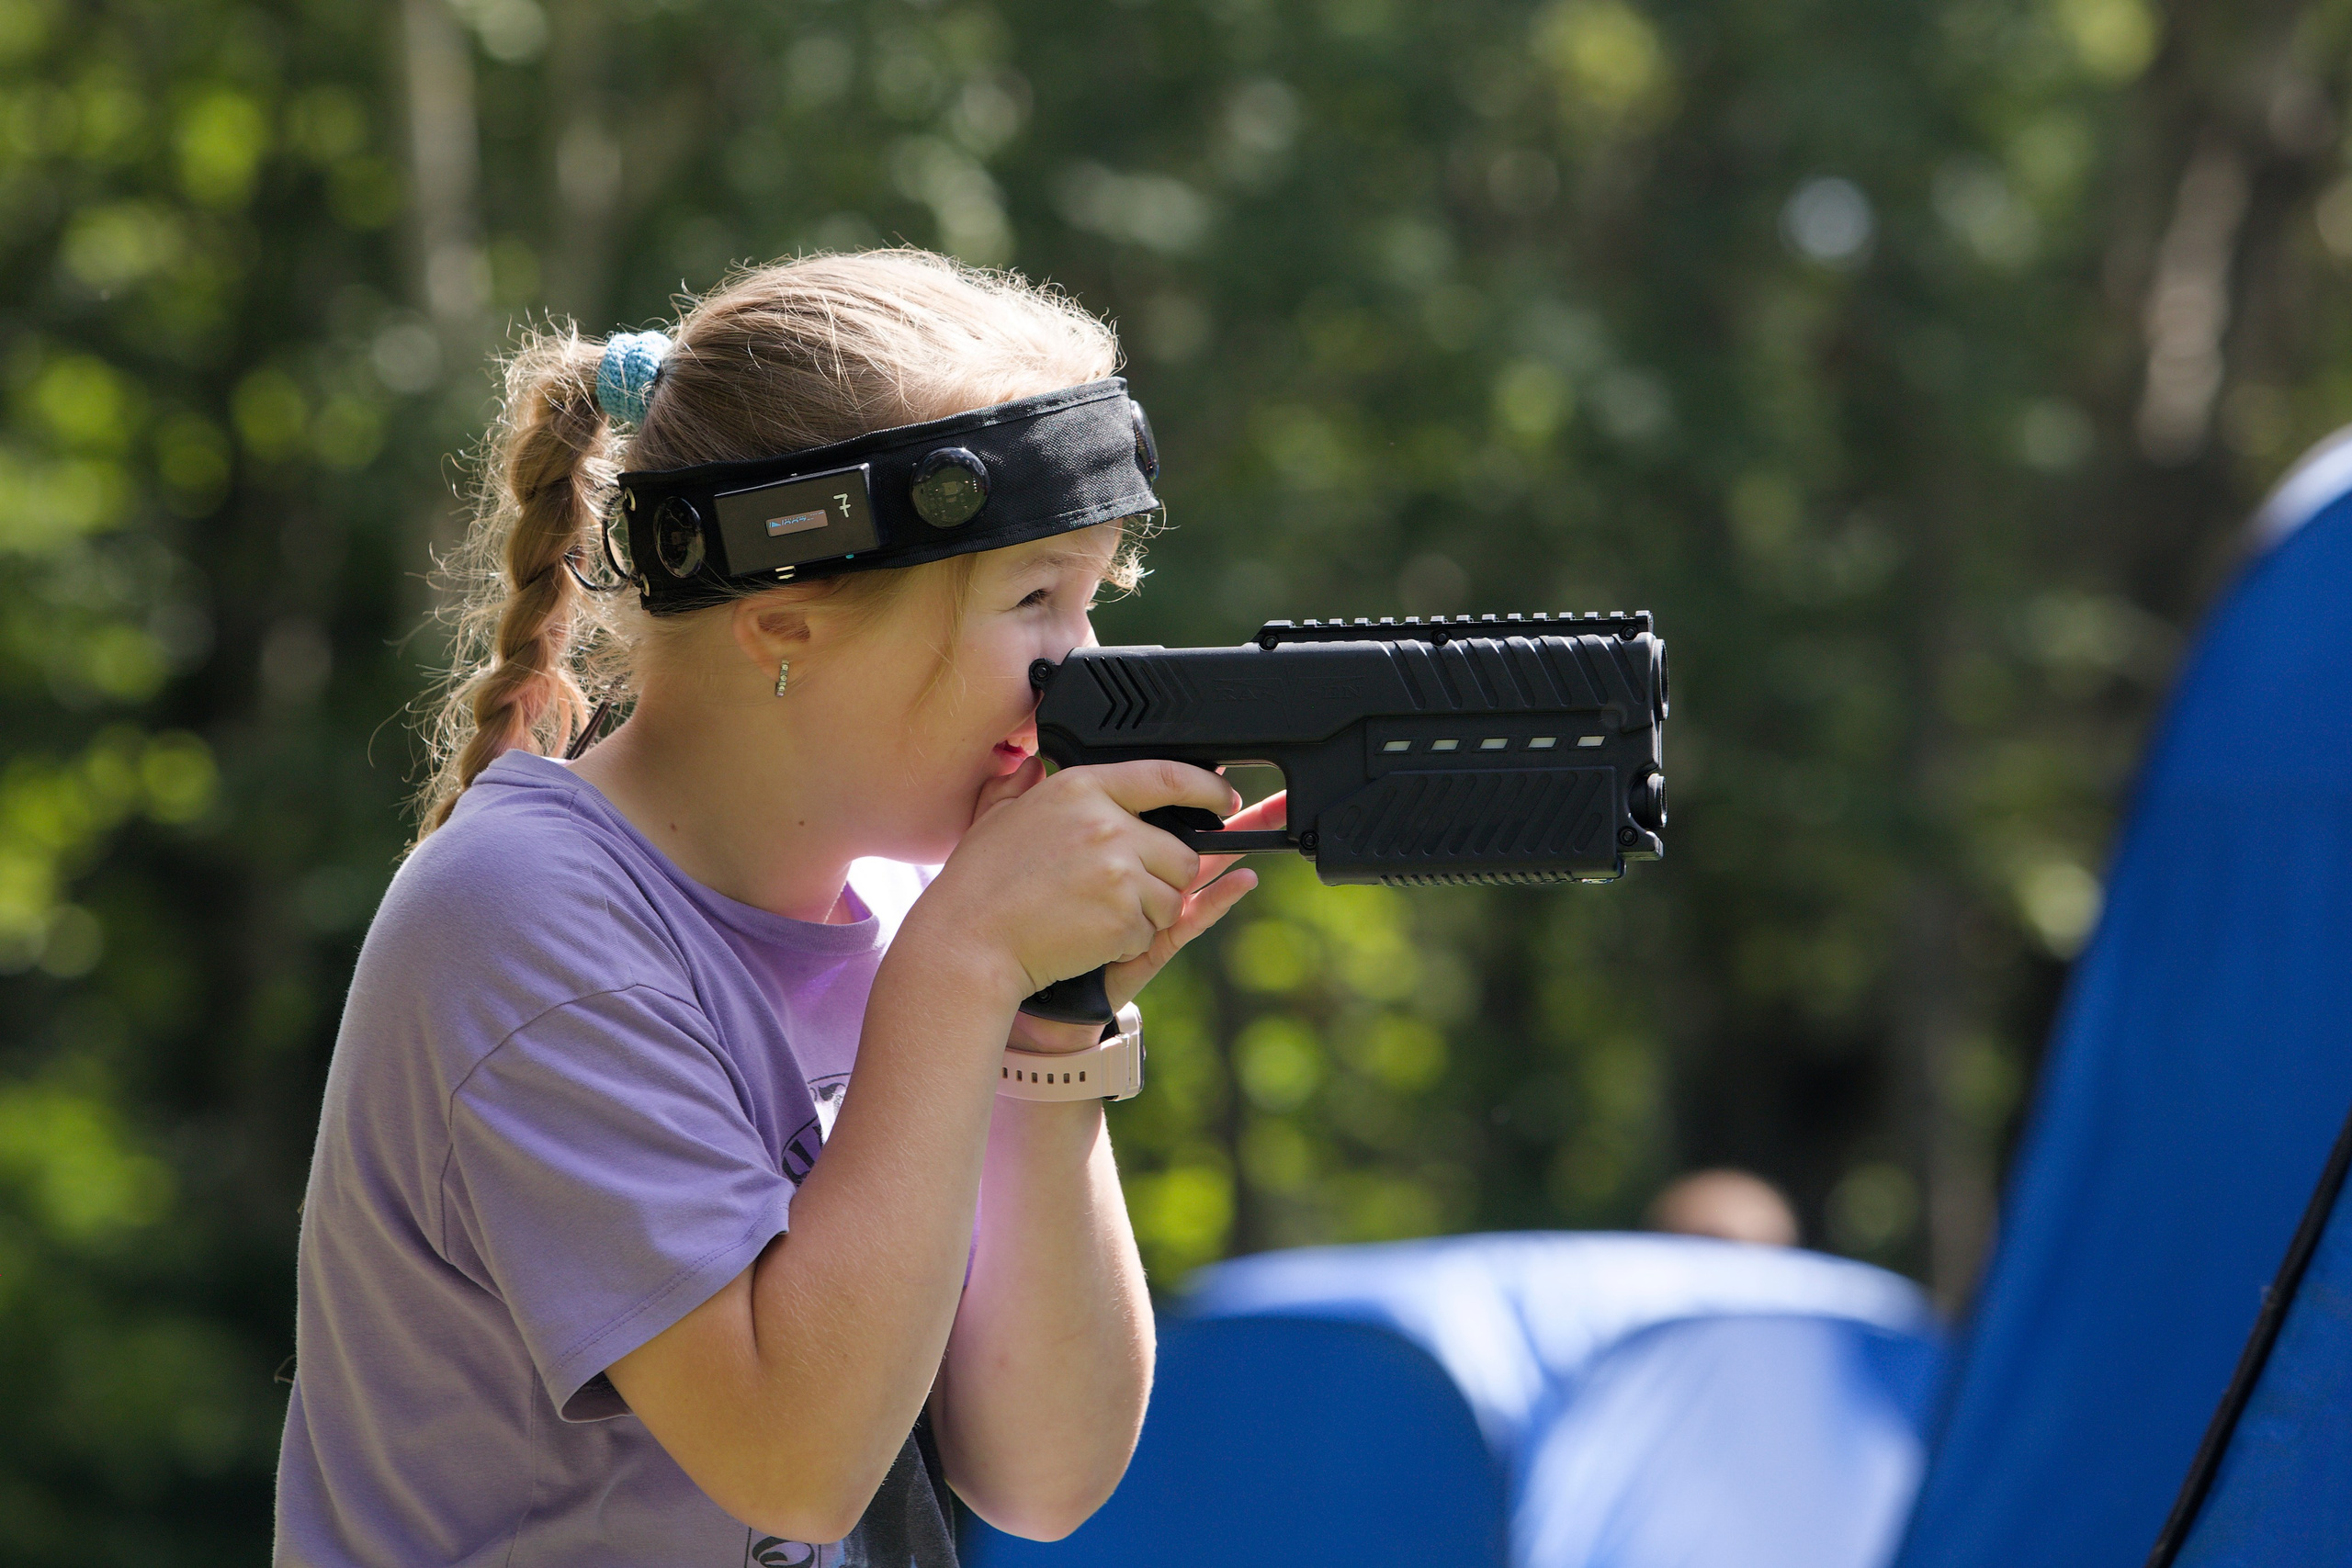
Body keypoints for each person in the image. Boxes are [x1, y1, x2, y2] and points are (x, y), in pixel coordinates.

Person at [273, 251, 1281, 1567]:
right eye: (1034, 601)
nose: (1078, 669)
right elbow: (794, 1468)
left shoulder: (915, 896)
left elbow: (1043, 1479)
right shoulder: (526, 920)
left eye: (1092, 601)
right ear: (786, 621)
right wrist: (964, 967)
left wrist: (1046, 1035)